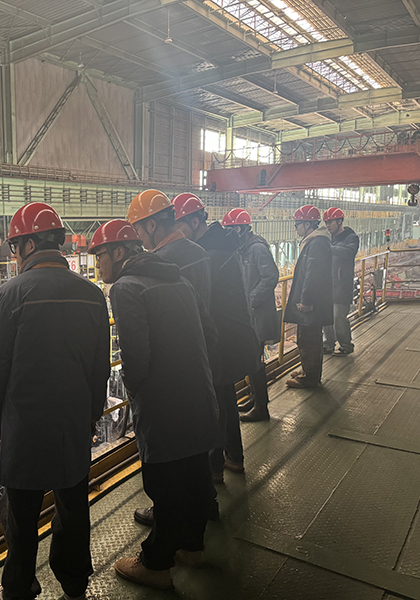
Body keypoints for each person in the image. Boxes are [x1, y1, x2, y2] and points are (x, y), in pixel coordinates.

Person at [0, 202, 111, 600]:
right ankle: (74, 585)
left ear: (30, 245)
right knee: (73, 508)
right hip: (73, 424)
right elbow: (99, 367)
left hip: (24, 428)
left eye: (15, 248)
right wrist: (91, 415)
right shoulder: (92, 295)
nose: (15, 257)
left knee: (20, 515)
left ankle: (18, 588)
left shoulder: (10, 294)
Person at [89, 220, 220, 590]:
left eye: (100, 255)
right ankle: (192, 548)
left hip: (164, 403)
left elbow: (136, 355)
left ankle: (156, 563)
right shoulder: (178, 279)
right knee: (195, 474)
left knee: (165, 485)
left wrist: (134, 389)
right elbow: (209, 333)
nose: (98, 265)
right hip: (198, 393)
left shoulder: (126, 287)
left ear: (118, 252)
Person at [171, 193, 260, 481]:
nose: (176, 233)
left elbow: (202, 301)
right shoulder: (221, 245)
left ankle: (214, 467)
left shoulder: (209, 255)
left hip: (220, 337)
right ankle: (233, 457)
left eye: (179, 226)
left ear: (195, 221)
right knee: (224, 398)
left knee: (215, 403)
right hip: (231, 333)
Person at [222, 209, 280, 423]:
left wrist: (251, 299)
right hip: (251, 313)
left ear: (239, 229)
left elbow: (271, 276)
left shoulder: (256, 248)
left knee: (255, 361)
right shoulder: (243, 248)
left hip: (258, 313)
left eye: (229, 230)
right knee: (252, 359)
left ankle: (261, 408)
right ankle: (256, 399)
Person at [125, 189, 211, 305]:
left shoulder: (158, 263)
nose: (138, 237)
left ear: (151, 225)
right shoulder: (200, 252)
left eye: (137, 230)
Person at [284, 205, 333, 388]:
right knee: (308, 338)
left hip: (312, 304)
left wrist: (306, 300)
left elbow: (313, 274)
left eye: (297, 224)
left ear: (307, 224)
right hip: (314, 301)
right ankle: (308, 371)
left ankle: (310, 379)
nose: (295, 229)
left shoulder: (317, 243)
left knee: (308, 339)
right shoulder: (315, 242)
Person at [323, 207, 360, 356]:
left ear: (339, 221)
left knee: (338, 317)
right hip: (328, 284)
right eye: (326, 223)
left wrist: (329, 248)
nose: (328, 226)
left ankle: (346, 345)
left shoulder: (351, 238)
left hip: (342, 284)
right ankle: (329, 344)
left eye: (330, 222)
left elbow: (349, 252)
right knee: (326, 316)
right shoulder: (328, 238)